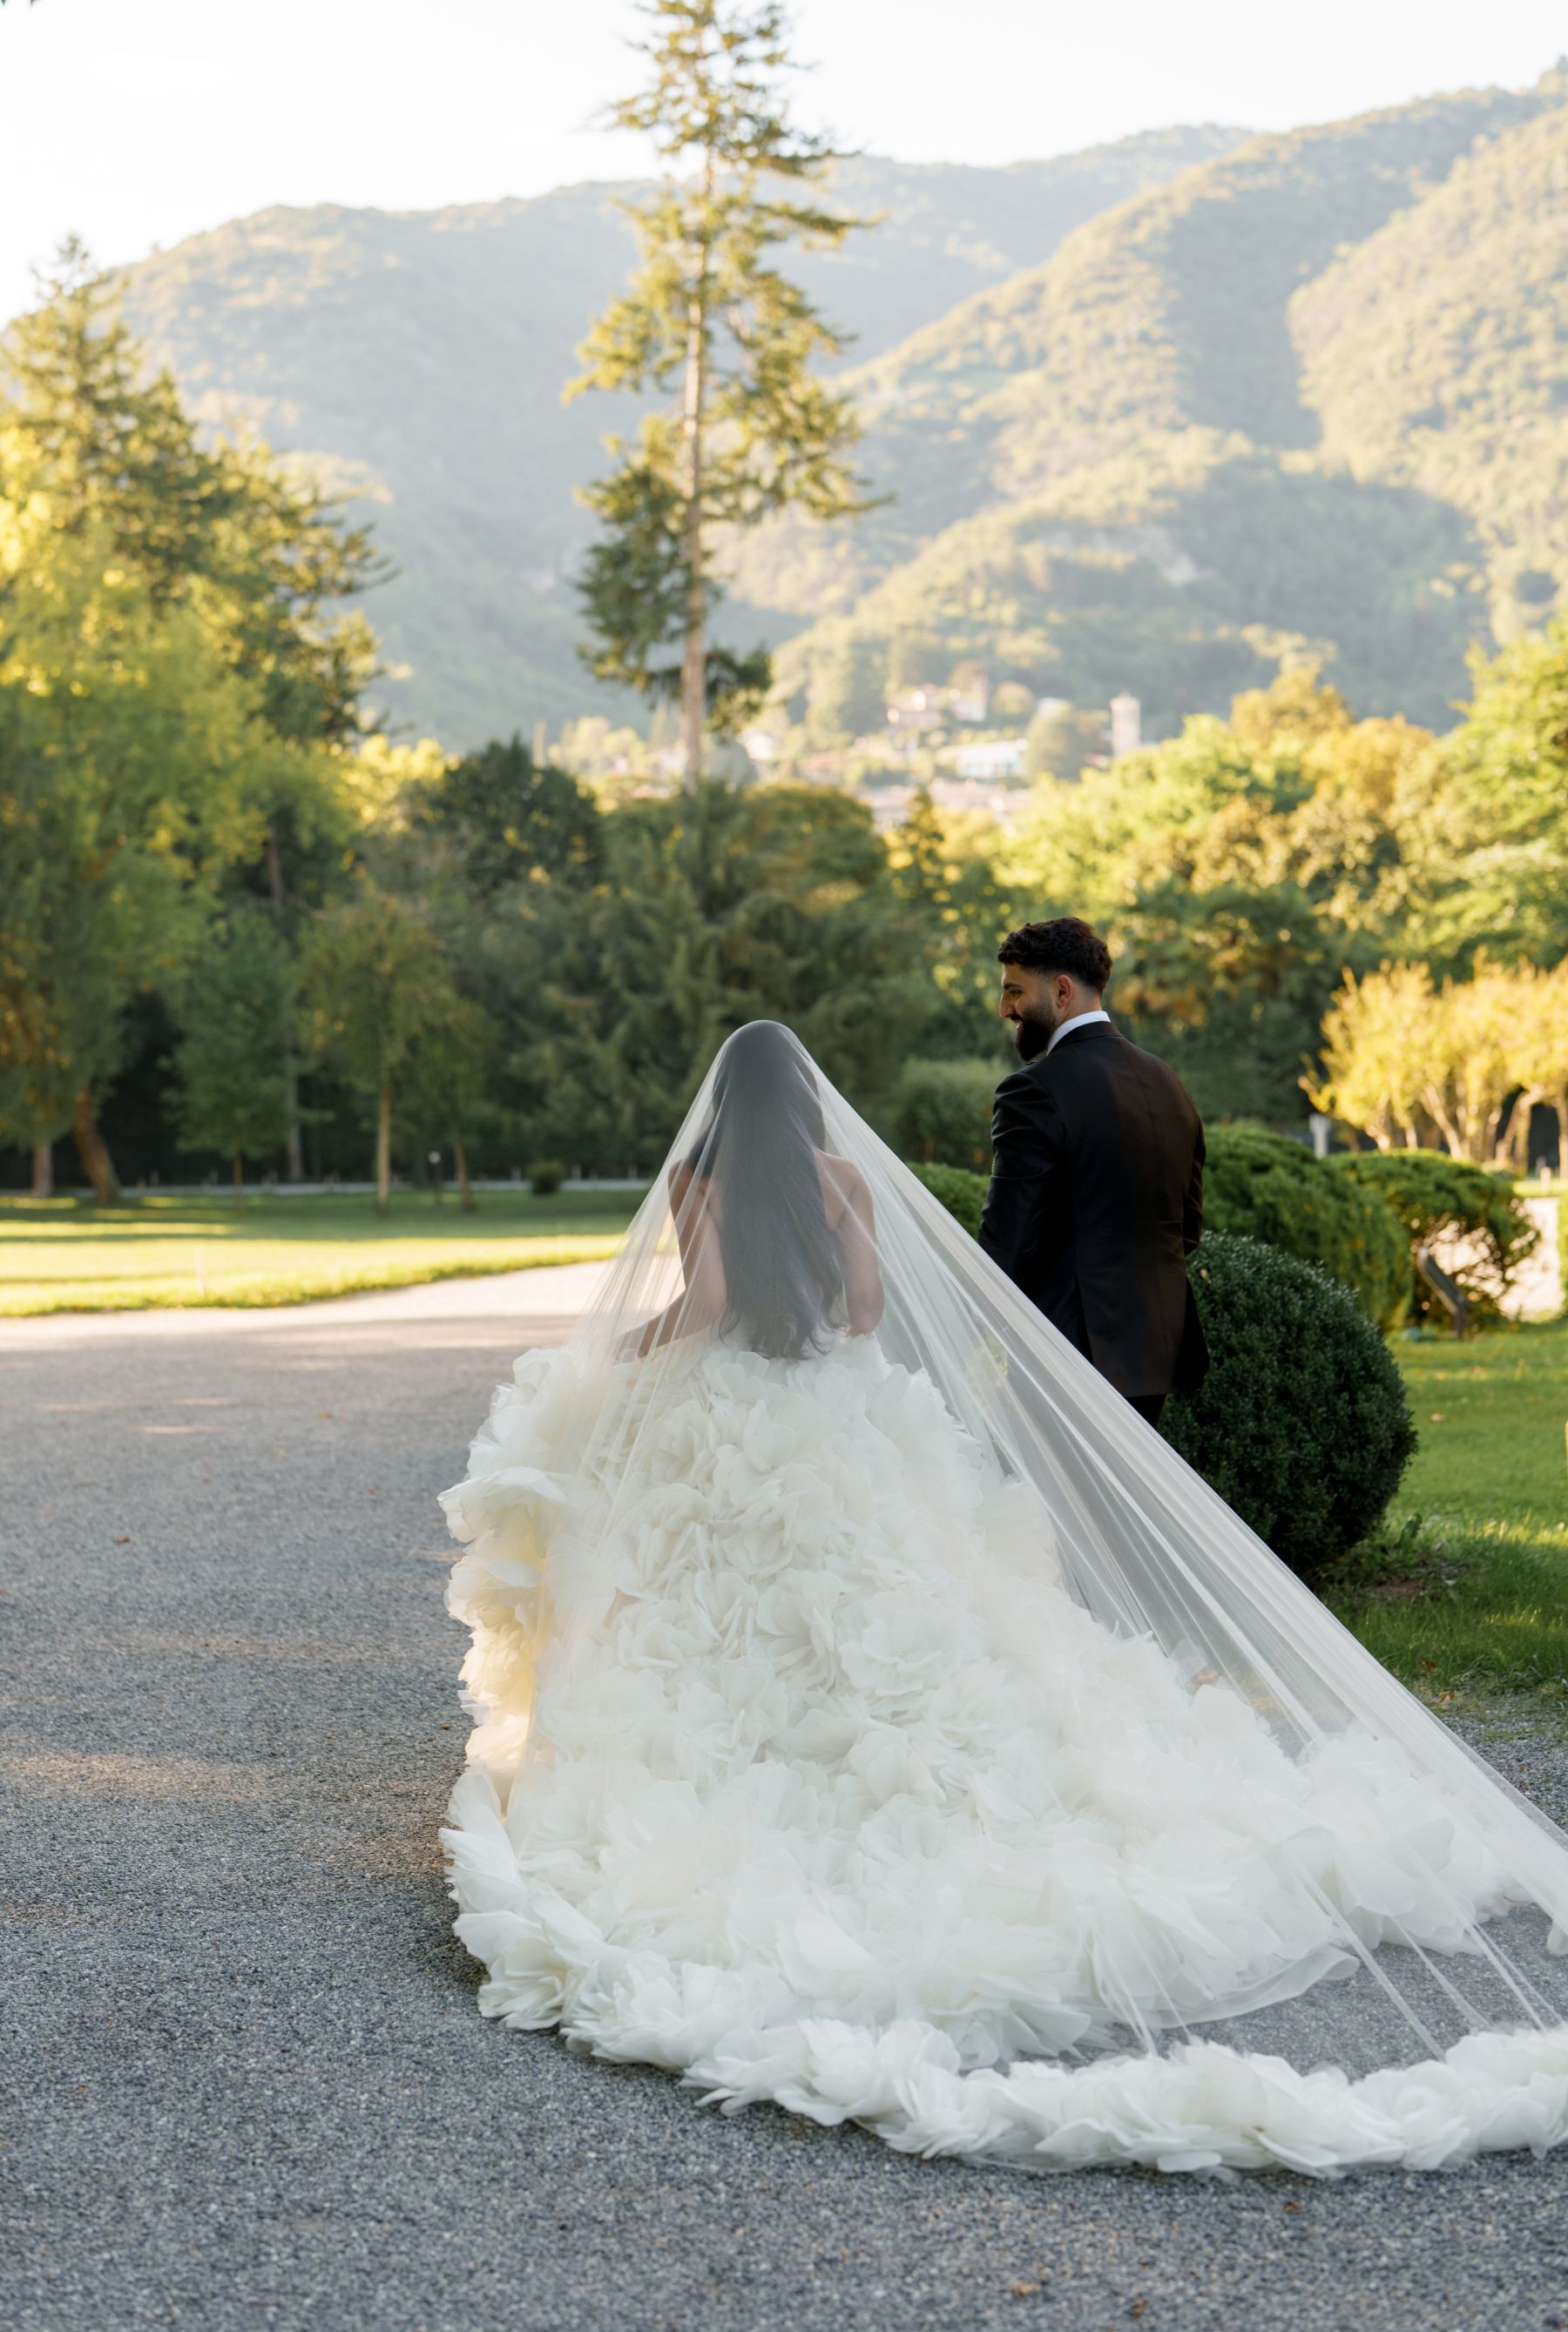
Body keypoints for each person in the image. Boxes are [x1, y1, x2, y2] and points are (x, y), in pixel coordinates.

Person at [440, 1020, 1568, 2176]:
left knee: (710, 1615)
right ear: (806, 1108)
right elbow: (868, 1313)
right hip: (834, 1419)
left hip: (724, 1422)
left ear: (722, 1108)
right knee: (908, 1608)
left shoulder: (698, 1178)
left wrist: (613, 1357)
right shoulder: (837, 1180)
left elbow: (709, 1301)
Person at [979, 916, 1206, 1426]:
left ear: (1062, 991)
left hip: (1065, 1353)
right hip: (1154, 1352)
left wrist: (956, 1327)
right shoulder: (1168, 1083)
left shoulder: (1030, 1091)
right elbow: (1186, 1229)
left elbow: (1006, 1242)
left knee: (1047, 1505)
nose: (1005, 1008)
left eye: (1014, 991)